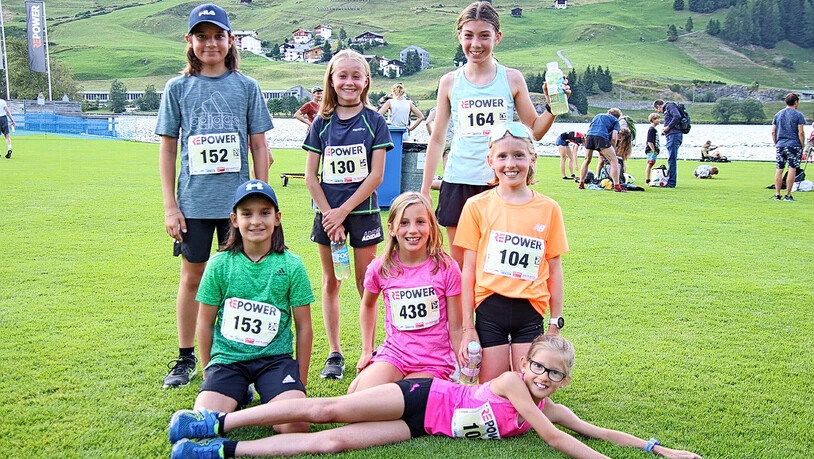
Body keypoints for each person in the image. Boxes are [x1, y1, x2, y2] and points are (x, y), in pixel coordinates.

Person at [168, 334, 703, 459]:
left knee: (330, 444)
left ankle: (217, 452)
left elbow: (596, 431)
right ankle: (211, 424)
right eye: (538, 364)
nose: (541, 376)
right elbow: (555, 438)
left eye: (553, 374)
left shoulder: (550, 403)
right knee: (324, 409)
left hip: (423, 426)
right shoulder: (514, 385)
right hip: (422, 397)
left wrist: (659, 450)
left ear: (563, 381)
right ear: (525, 363)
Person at [156, 3, 272, 389]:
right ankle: (185, 357)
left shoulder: (247, 87)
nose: (211, 43)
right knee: (193, 278)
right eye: (202, 36)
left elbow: (258, 146)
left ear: (230, 41)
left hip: (238, 207)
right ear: (189, 41)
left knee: (242, 281)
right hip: (194, 204)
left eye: (218, 35)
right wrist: (171, 206)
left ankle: (242, 354)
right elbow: (169, 149)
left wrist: (263, 205)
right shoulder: (177, 88)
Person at [419, 1, 563, 269]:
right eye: (469, 35)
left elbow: (536, 130)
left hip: (499, 183)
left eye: (484, 35)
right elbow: (438, 138)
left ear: (497, 37)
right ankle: (464, 314)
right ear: (459, 35)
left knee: (498, 266)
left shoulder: (512, 79)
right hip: (458, 181)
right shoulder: (450, 82)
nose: (476, 43)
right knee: (462, 269)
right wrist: (426, 189)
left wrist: (553, 106)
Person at [193, 179, 313, 434]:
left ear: (277, 218)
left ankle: (266, 397)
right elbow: (204, 324)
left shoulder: (292, 265)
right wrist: (209, 372)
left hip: (274, 361)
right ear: (234, 219)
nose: (256, 221)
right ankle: (238, 393)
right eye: (246, 214)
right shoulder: (219, 265)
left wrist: (300, 381)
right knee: (205, 421)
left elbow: (304, 327)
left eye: (265, 213)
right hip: (228, 361)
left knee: (296, 424)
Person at [303, 49, 393, 380]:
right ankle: (334, 353)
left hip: (362, 213)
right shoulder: (321, 123)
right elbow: (311, 176)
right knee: (331, 281)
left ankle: (372, 349)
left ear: (366, 81)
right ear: (331, 79)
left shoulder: (375, 121)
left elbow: (376, 176)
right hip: (327, 216)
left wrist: (343, 212)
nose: (349, 82)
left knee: (366, 283)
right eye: (342, 75)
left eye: (356, 76)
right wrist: (331, 215)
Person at [455, 123, 568, 382]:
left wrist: (555, 323)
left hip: (530, 311)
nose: (510, 164)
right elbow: (468, 270)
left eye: (518, 155)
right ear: (491, 161)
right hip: (489, 308)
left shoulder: (549, 209)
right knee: (492, 390)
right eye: (502, 156)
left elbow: (555, 269)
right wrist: (468, 328)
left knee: (528, 387)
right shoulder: (476, 206)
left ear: (532, 158)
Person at [348, 192, 462, 394]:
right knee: (356, 396)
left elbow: (456, 326)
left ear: (431, 226)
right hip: (395, 354)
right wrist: (367, 350)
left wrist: (461, 366)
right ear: (391, 228)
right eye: (404, 223)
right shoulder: (380, 267)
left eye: (420, 222)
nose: (413, 230)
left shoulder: (447, 268)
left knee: (405, 403)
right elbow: (367, 305)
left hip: (433, 362)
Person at [771, 93, 807, 202]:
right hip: (794, 145)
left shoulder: (778, 115)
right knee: (792, 169)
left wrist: (776, 143)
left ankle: (777, 194)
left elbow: (773, 131)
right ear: (796, 102)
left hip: (780, 144)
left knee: (779, 169)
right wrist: (802, 144)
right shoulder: (798, 115)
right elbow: (800, 132)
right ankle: (788, 194)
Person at [579, 108, 625, 192]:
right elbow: (614, 137)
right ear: (618, 117)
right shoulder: (615, 120)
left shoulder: (597, 115)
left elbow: (591, 128)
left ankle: (581, 183)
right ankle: (617, 186)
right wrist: (613, 149)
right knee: (614, 160)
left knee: (587, 160)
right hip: (601, 137)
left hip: (589, 137)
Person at [653, 99, 682, 188]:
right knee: (671, 158)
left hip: (674, 135)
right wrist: (665, 131)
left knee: (671, 159)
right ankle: (670, 180)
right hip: (672, 135)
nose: (659, 112)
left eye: (657, 110)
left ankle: (671, 183)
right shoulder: (668, 108)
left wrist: (668, 127)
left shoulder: (670, 106)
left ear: (658, 106)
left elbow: (677, 116)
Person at [425, 104, 454, 189]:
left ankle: (430, 183)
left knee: (433, 160)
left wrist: (431, 134)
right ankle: (446, 184)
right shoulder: (453, 109)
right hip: (450, 138)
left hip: (439, 138)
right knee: (446, 161)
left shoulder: (435, 110)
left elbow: (427, 123)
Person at [644, 113, 661, 185]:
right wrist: (653, 149)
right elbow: (649, 141)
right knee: (650, 164)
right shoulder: (651, 130)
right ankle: (647, 179)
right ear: (653, 120)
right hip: (651, 150)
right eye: (657, 119)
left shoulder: (654, 129)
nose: (659, 120)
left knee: (651, 164)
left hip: (654, 150)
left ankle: (649, 179)